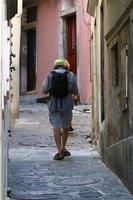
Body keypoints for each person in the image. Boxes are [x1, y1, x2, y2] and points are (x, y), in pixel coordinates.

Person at [42, 58, 78, 160]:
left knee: (56, 127)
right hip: (67, 105)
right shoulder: (70, 75)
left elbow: (44, 90)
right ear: (66, 66)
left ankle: (58, 152)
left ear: (55, 66)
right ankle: (63, 148)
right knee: (66, 127)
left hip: (54, 105)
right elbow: (75, 90)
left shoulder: (50, 75)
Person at [63, 59, 79, 132]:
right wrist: (75, 95)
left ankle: (60, 127)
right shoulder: (71, 75)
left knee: (59, 112)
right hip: (68, 97)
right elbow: (74, 89)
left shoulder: (53, 74)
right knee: (68, 112)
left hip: (56, 99)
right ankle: (69, 124)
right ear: (68, 67)